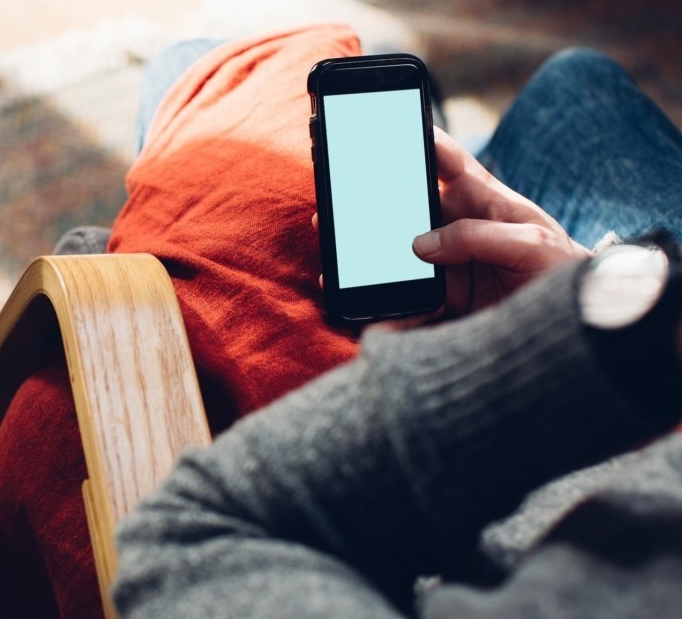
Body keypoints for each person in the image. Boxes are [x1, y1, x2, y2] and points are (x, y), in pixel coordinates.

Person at [111, 45, 682, 618]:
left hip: (563, 430)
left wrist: (560, 336)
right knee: (572, 80)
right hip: (644, 386)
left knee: (198, 61)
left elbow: (189, 537)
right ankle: (434, 134)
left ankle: (433, 128)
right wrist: (598, 281)